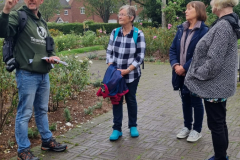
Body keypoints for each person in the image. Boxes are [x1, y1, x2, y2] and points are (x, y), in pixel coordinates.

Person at [0, 0, 67, 159]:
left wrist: (53, 57)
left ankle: (46, 140)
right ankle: (23, 150)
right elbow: (3, 31)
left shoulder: (42, 22)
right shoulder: (19, 16)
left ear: (41, 1)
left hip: (44, 74)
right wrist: (6, 9)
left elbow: (49, 45)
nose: (31, 0)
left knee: (42, 110)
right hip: (27, 74)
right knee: (24, 113)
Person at [184, 0, 240, 159]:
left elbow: (213, 62)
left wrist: (195, 73)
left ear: (219, 4)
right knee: (220, 122)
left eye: (212, 3)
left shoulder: (223, 26)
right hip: (220, 83)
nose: (209, 6)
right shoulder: (229, 22)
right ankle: (222, 155)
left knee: (216, 124)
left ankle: (221, 157)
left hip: (216, 85)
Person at [169, 1, 208, 142]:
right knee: (185, 100)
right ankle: (187, 126)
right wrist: (175, 65)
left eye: (189, 9)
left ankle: (197, 130)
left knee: (196, 102)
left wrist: (184, 67)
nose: (186, 11)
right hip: (180, 74)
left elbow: (201, 55)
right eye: (186, 9)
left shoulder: (204, 31)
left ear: (198, 11)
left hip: (194, 74)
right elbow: (173, 49)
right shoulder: (181, 29)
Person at [106, 5, 145, 141]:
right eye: (119, 14)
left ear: (131, 18)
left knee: (130, 99)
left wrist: (128, 70)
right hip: (116, 74)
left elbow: (140, 56)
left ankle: (133, 126)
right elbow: (109, 52)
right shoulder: (115, 32)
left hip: (132, 74)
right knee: (116, 100)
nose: (119, 16)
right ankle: (117, 129)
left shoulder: (138, 34)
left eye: (122, 14)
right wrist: (112, 68)